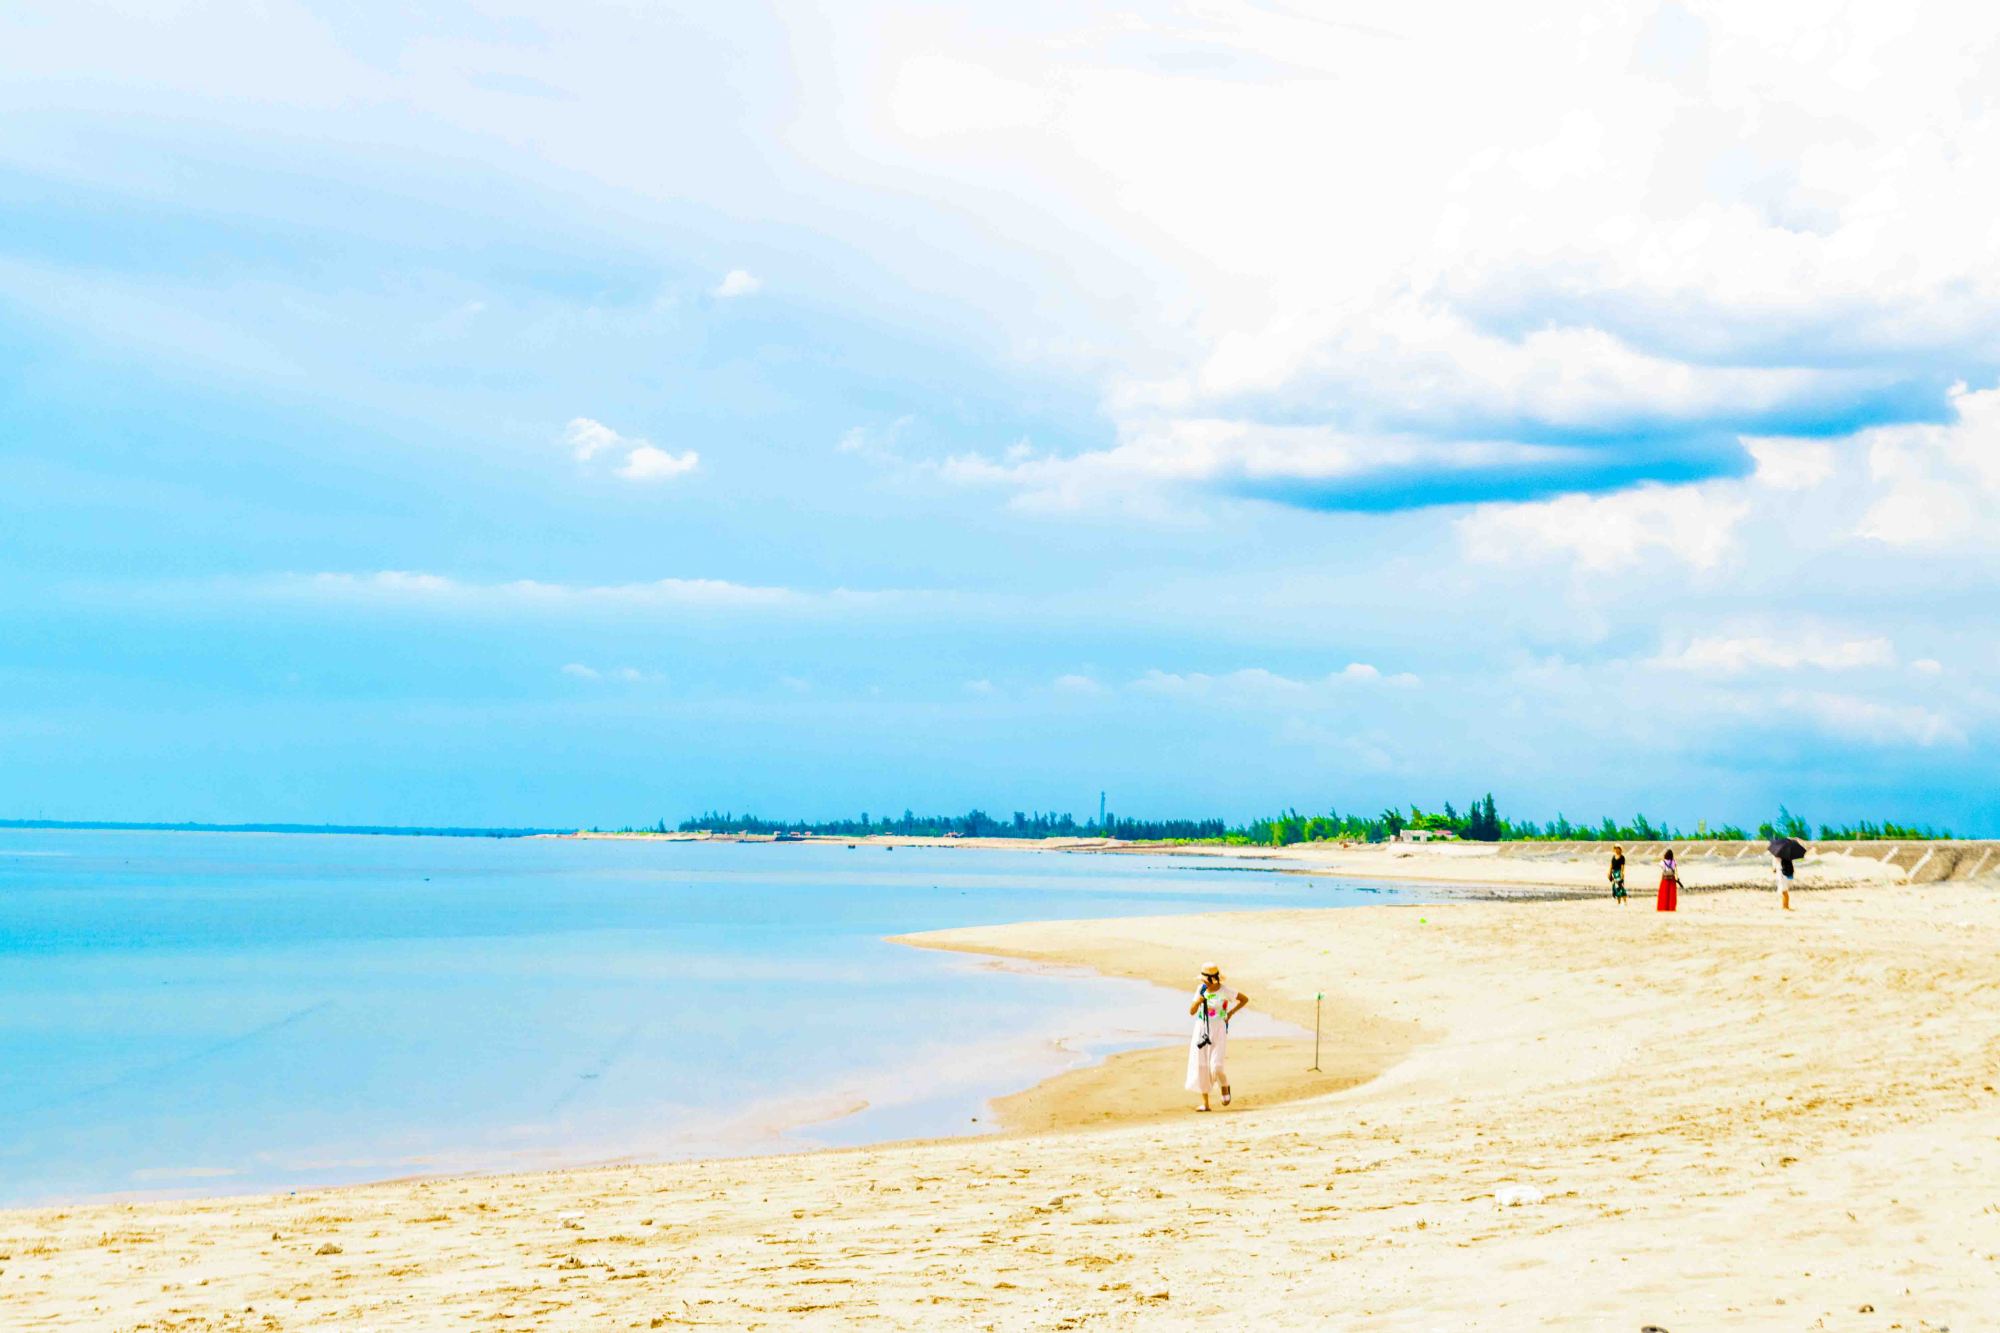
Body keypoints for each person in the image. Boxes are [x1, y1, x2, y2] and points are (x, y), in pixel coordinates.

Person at [1186, 962, 1249, 1112]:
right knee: (1202, 1065)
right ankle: (1205, 1104)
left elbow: (1245, 999)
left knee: (1217, 1066)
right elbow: (1191, 1011)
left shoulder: (1225, 990)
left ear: (1211, 979)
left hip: (1219, 1029)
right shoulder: (1200, 990)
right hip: (1201, 1029)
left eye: (1204, 979)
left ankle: (1225, 1086)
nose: (1202, 981)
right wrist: (1199, 1001)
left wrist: (1230, 1014)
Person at [1773, 843, 1799, 911]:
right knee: (1784, 891)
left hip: (1783, 873)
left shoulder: (1779, 854)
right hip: (1788, 874)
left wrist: (1774, 868)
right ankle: (1784, 906)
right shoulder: (1788, 854)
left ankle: (1785, 906)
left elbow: (1776, 866)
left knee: (1784, 891)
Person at [1656, 848, 1680, 912]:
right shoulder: (1674, 861)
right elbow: (1676, 870)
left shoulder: (1663, 862)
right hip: (1672, 879)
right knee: (1671, 894)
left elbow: (1661, 867)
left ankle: (1663, 907)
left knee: (1664, 894)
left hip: (1665, 879)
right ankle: (1671, 907)